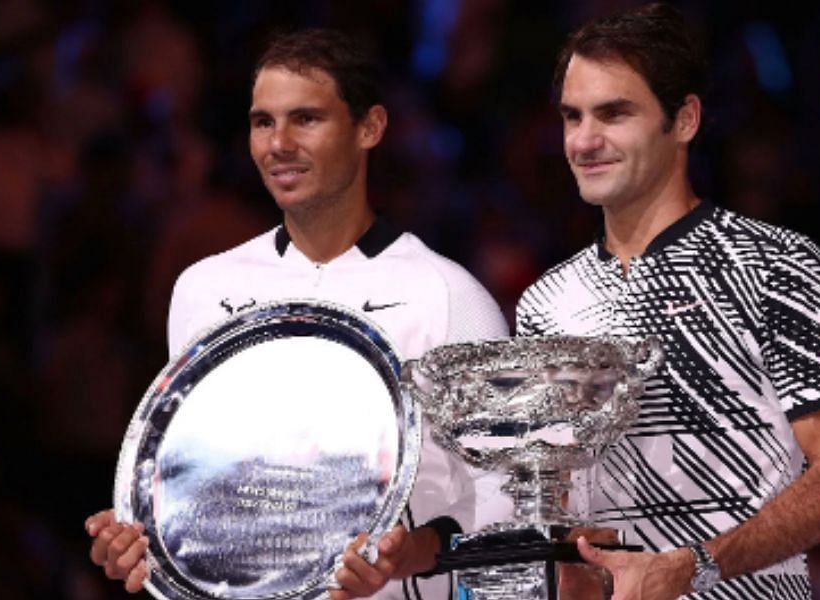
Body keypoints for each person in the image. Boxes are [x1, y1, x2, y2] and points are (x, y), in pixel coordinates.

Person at [83, 29, 509, 600]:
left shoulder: (451, 296)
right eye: (263, 122)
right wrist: (145, 543)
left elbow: (504, 498)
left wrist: (414, 551)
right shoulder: (203, 289)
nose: (278, 143)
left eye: (305, 119)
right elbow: (198, 482)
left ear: (370, 127)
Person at [515, 4, 820, 598]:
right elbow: (569, 520)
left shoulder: (774, 265)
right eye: (571, 116)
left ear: (684, 120)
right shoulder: (546, 303)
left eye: (614, 113)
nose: (584, 140)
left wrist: (693, 567)